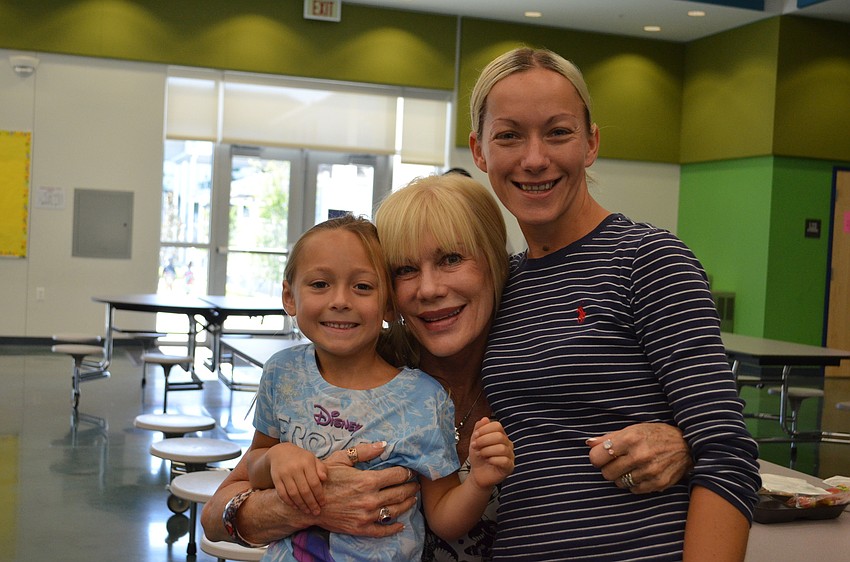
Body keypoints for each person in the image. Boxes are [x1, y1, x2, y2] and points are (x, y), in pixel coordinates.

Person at [468, 47, 761, 560]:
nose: (534, 158)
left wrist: (686, 444)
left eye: (558, 132)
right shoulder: (502, 283)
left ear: (591, 143)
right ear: (479, 151)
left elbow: (727, 455)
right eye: (509, 135)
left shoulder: (647, 260)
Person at [236, 214, 514, 561]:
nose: (340, 300)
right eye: (320, 284)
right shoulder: (282, 373)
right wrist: (277, 458)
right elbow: (255, 465)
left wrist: (479, 482)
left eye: (362, 287)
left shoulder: (424, 399)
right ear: (289, 297)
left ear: (388, 305)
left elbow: (443, 516)